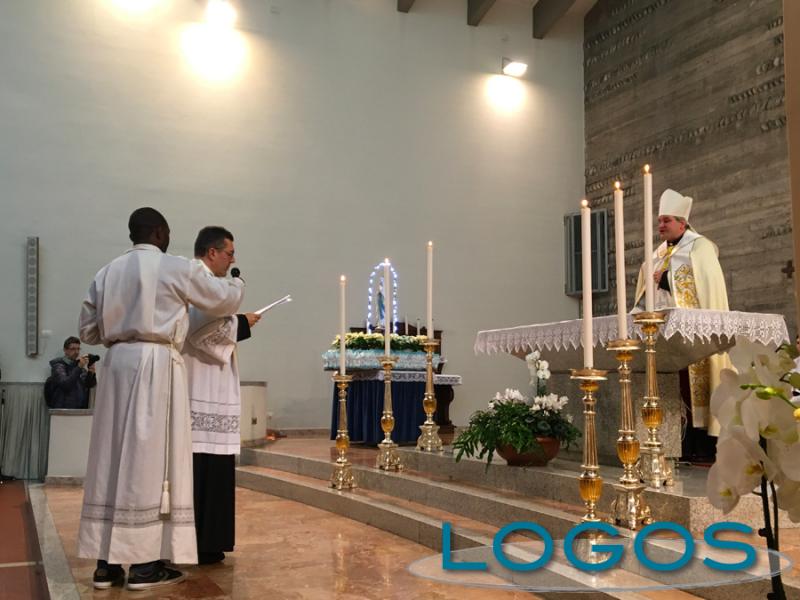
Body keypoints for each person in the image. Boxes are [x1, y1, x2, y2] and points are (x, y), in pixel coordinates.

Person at [77, 208, 245, 591]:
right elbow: (220, 300)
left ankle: (106, 565)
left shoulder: (107, 272)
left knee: (111, 459)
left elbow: (87, 331)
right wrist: (238, 283)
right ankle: (144, 566)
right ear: (158, 232)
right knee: (149, 460)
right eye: (167, 231)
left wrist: (120, 327)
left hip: (116, 364)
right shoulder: (173, 267)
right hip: (154, 363)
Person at [183, 226, 261, 565]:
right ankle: (199, 543)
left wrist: (238, 322)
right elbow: (199, 333)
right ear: (211, 252)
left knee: (213, 468)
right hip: (199, 384)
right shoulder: (196, 281)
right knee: (201, 468)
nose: (232, 259)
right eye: (229, 253)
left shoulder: (209, 284)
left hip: (211, 383)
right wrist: (242, 323)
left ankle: (209, 542)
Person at [634, 189, 730, 444]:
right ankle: (674, 441)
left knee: (693, 384)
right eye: (659, 221)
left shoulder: (700, 247)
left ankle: (702, 441)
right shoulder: (656, 253)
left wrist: (667, 279)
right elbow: (645, 289)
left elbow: (706, 286)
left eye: (666, 220)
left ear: (682, 223)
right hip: (663, 333)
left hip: (694, 333)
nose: (661, 225)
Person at [45, 337, 96, 409]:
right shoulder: (58, 366)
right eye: (73, 349)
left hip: (80, 409)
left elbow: (89, 385)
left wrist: (91, 372)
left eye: (78, 349)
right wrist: (79, 367)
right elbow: (65, 384)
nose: (76, 352)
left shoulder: (79, 366)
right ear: (65, 350)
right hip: (62, 408)